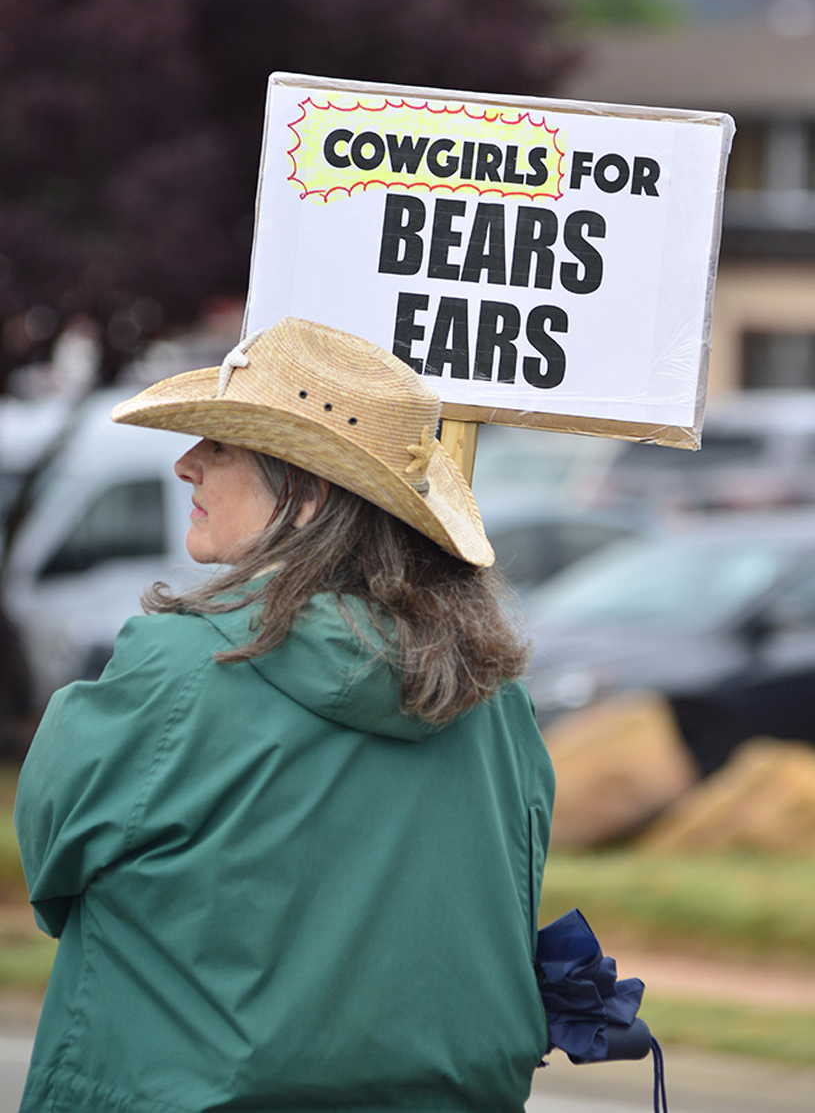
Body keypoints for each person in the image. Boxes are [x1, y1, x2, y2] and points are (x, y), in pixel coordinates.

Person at [14, 317, 555, 1113]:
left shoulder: (178, 666)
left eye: (221, 446)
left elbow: (51, 860)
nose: (185, 464)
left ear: (307, 493)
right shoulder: (496, 698)